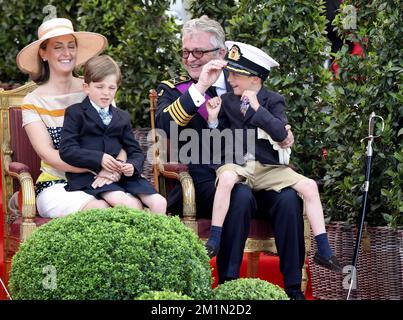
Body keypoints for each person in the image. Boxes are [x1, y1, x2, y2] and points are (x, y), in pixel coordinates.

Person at [155, 15, 306, 299]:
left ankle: (294, 290)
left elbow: (273, 124)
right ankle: (228, 287)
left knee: (287, 197)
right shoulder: (174, 89)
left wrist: (282, 135)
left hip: (256, 171)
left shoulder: (246, 81)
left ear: (221, 54)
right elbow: (165, 128)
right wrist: (199, 87)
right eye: (186, 51)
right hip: (206, 177)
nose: (191, 58)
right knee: (239, 195)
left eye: (199, 52)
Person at [205, 41, 342, 273]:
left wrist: (258, 109)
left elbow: (281, 134)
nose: (230, 80)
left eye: (236, 75)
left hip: (268, 168)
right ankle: (214, 240)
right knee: (226, 180)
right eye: (230, 74)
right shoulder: (228, 101)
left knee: (309, 186)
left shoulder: (273, 100)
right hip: (239, 164)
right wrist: (213, 120)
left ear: (255, 79)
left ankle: (324, 250)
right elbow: (219, 141)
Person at [17, 17, 122, 218]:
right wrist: (95, 169)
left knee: (135, 205)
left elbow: (117, 138)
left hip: (104, 177)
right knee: (100, 211)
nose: (67, 53)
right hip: (57, 185)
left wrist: (113, 170)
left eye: (71, 46)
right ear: (43, 53)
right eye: (58, 47)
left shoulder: (95, 88)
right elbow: (49, 154)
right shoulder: (33, 101)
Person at [59, 55, 166, 214]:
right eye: (99, 87)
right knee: (128, 204)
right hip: (92, 178)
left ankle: (160, 239)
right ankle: (137, 238)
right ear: (86, 87)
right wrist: (99, 158)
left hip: (123, 175)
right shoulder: (75, 113)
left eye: (111, 88)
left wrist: (132, 166)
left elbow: (135, 151)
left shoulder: (122, 116)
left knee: (160, 202)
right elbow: (67, 150)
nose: (106, 93)